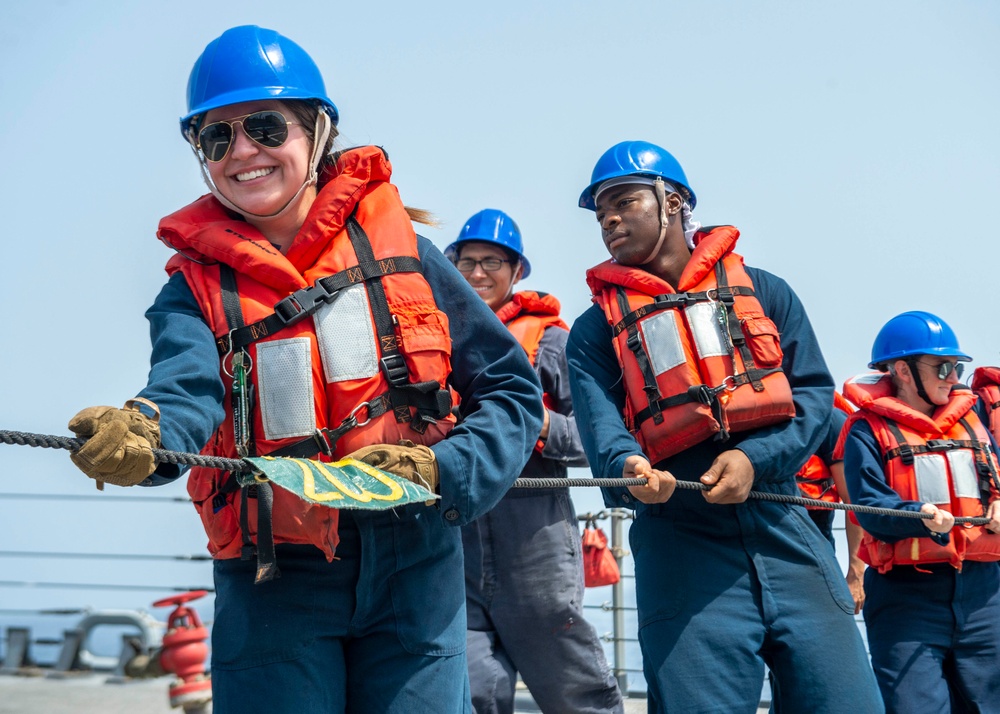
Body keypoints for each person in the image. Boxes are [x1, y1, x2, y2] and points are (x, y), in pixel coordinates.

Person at [65, 25, 543, 714]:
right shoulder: (191, 290)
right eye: (216, 138)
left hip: (417, 568)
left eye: (265, 126)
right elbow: (186, 390)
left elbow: (510, 392)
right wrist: (142, 429)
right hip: (274, 581)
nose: (243, 151)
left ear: (318, 132)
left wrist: (448, 468)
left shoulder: (408, 253)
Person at [565, 140, 882, 713]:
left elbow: (813, 395)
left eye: (624, 200)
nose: (609, 218)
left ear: (675, 202)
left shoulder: (765, 292)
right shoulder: (593, 333)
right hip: (677, 537)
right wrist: (630, 469)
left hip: (786, 524)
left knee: (848, 701)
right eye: (600, 210)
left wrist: (755, 459)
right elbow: (601, 430)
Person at [445, 209, 623, 714]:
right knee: (472, 690)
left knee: (574, 689)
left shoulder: (551, 345)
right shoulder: (433, 343)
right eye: (469, 261)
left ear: (516, 271)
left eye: (493, 263)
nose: (478, 273)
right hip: (457, 548)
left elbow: (595, 440)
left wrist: (540, 426)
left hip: (537, 546)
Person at [839, 311, 1000, 713]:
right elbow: (870, 508)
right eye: (942, 366)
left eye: (956, 367)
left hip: (985, 594)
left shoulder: (973, 419)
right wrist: (918, 515)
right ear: (903, 371)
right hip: (906, 600)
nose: (952, 376)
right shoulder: (865, 430)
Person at [795, 392, 866, 612]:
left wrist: (856, 574)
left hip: (814, 552)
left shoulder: (830, 420)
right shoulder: (736, 417)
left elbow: (854, 502)